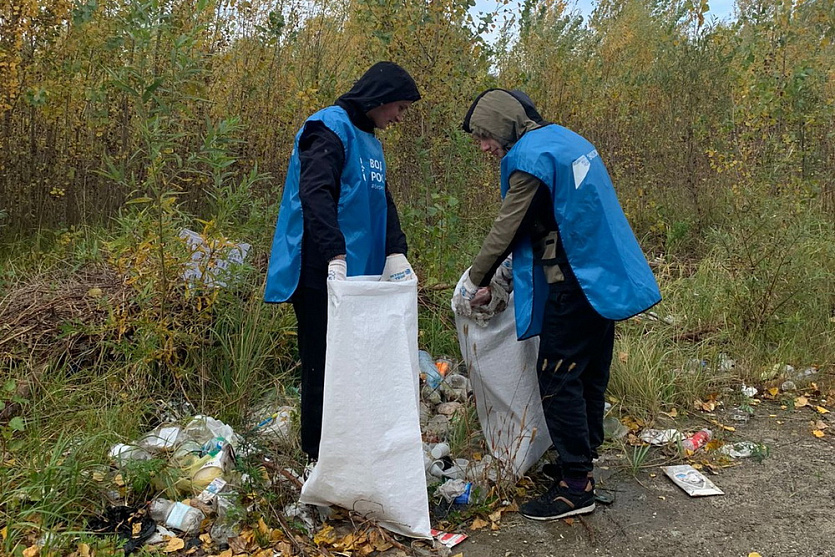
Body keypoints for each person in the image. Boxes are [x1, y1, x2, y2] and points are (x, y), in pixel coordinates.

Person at [454, 89, 661, 520]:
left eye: (484, 137)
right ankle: (580, 462)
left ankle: (574, 486)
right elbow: (544, 226)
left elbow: (509, 226)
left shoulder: (531, 157)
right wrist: (504, 283)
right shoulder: (565, 141)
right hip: (604, 277)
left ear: (502, 125)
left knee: (556, 377)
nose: (485, 148)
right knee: (586, 375)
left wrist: (475, 278)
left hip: (578, 283)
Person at [264, 62, 421, 465]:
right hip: (320, 270)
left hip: (357, 274)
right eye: (399, 108)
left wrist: (396, 251)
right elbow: (315, 193)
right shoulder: (327, 128)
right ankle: (316, 454)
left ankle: (347, 446)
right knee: (322, 363)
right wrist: (334, 253)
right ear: (379, 99)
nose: (399, 117)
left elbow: (380, 199)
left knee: (353, 361)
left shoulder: (369, 139)